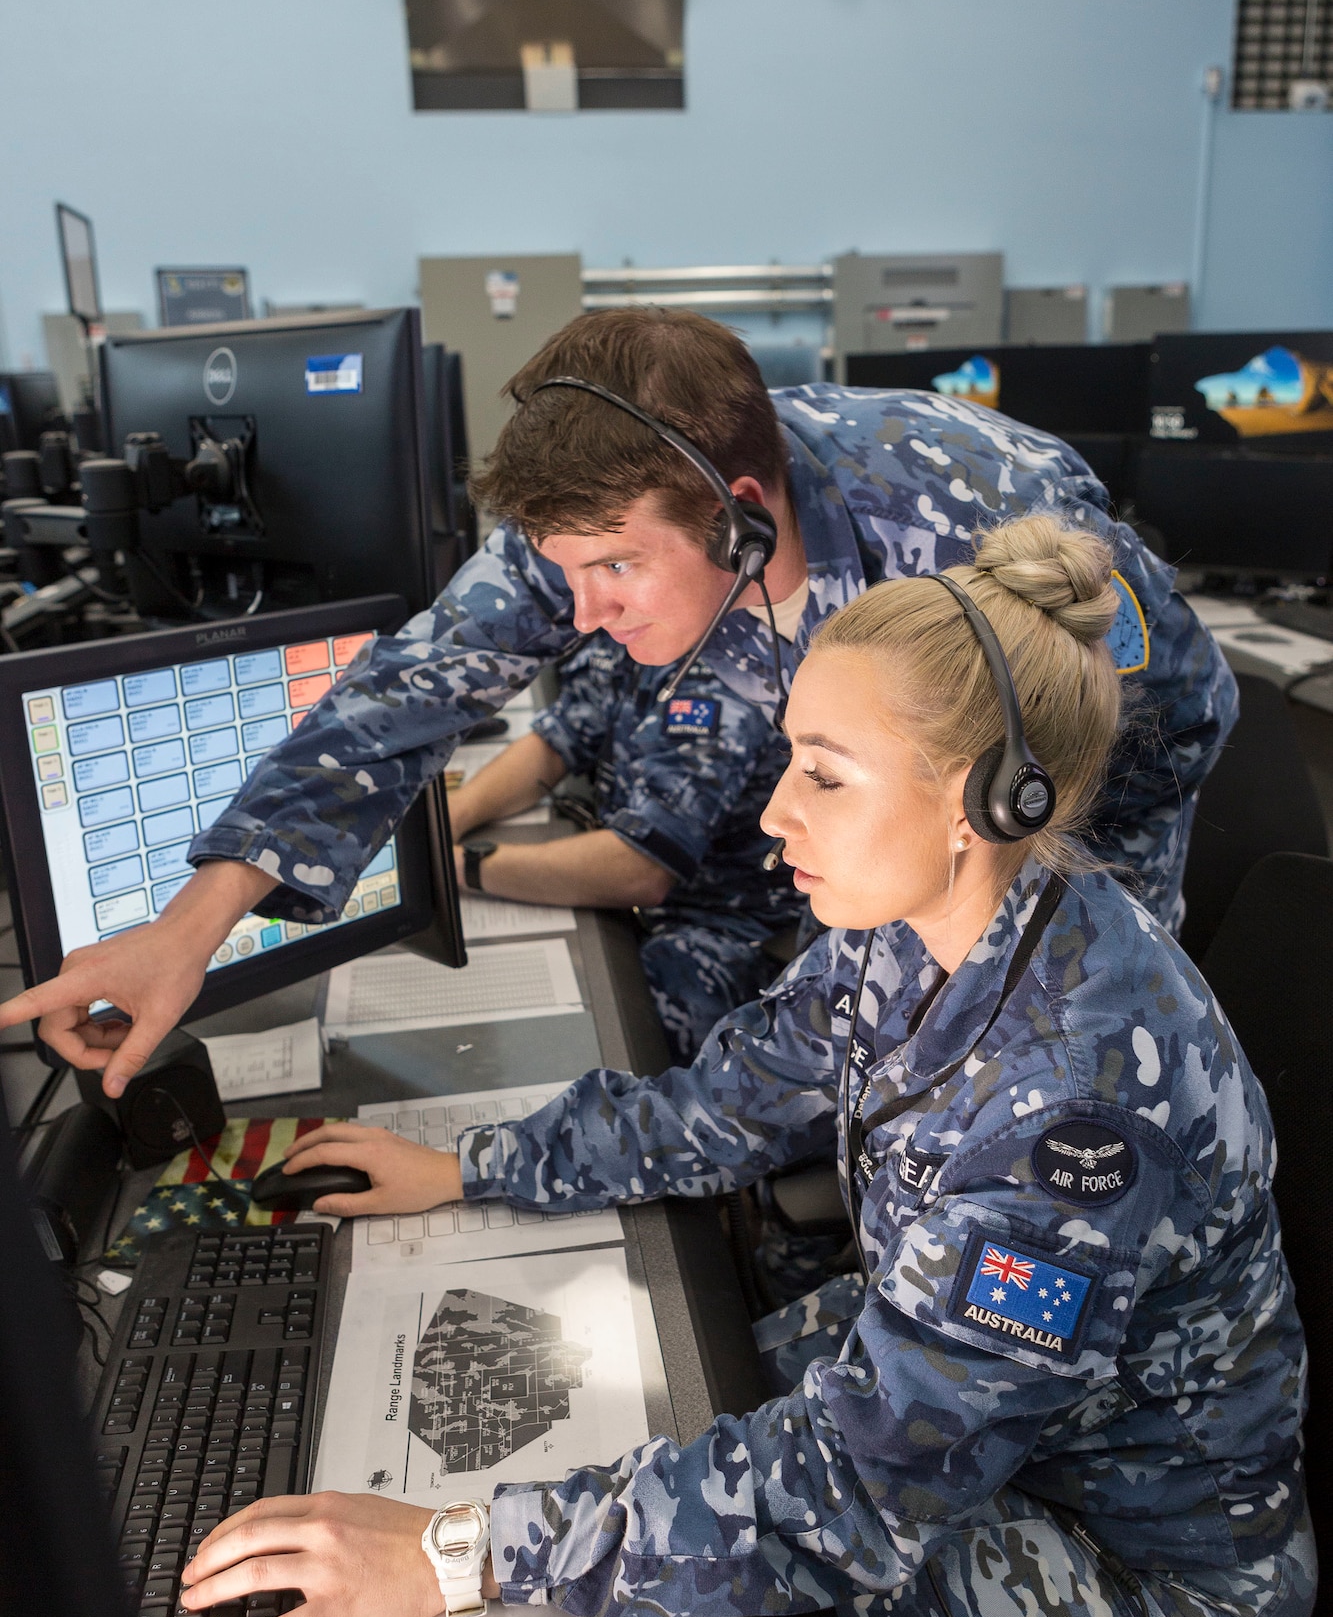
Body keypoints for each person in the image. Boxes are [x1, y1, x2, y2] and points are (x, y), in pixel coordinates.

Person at [173, 516, 1311, 1617]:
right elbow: (726, 1098)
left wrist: (457, 1554)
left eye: (824, 774)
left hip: (1134, 1579)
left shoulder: (1069, 1111)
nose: (775, 813)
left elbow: (855, 1495)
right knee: (628, 1434)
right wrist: (472, 1165)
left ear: (986, 798)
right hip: (978, 1435)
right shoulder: (925, 919)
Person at [0, 308, 1236, 1096]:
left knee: (1032, 1056)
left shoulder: (968, 515)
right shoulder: (614, 505)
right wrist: (193, 928)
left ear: (739, 515)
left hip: (1097, 768)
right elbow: (398, 700)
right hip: (862, 771)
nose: (582, 613)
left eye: (613, 572)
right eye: (565, 571)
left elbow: (1120, 729)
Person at [449, 628, 804, 1059]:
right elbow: (557, 742)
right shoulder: (636, 632)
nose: (587, 607)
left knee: (571, 1042)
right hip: (638, 910)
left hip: (720, 932)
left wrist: (458, 869)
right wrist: (454, 817)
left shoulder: (729, 678)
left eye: (617, 566)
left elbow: (640, 869)